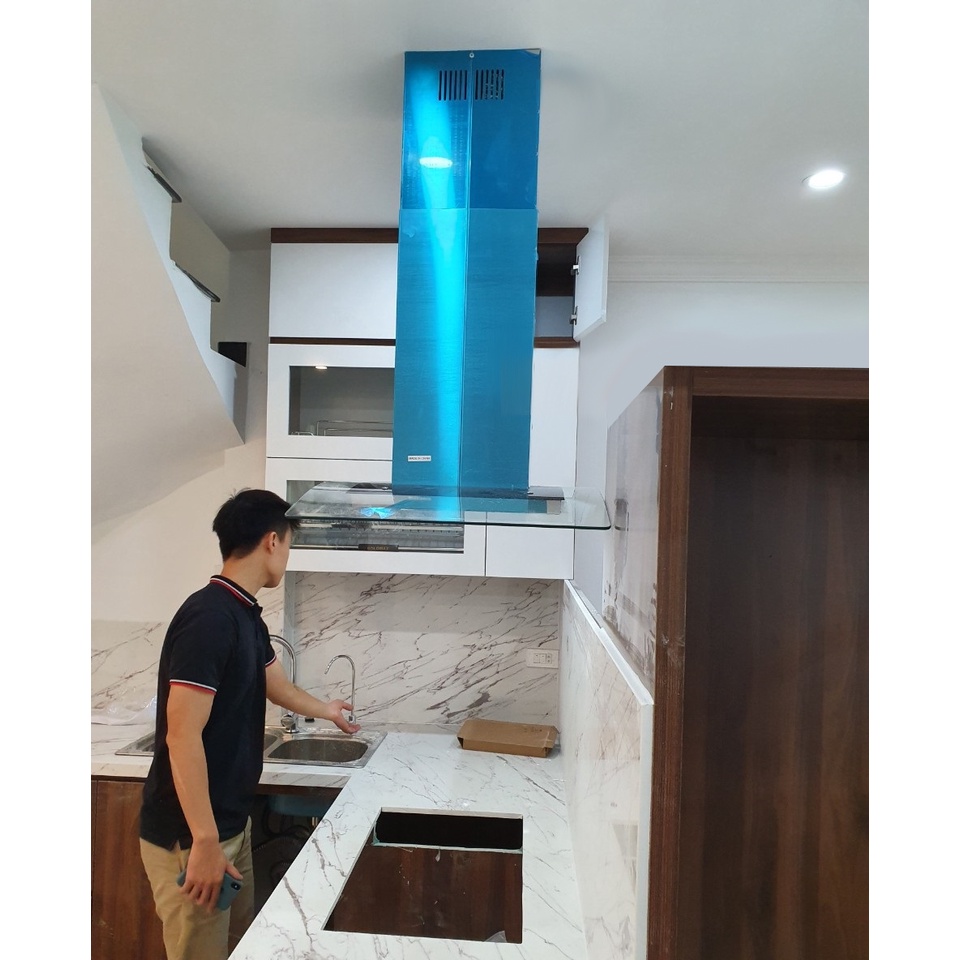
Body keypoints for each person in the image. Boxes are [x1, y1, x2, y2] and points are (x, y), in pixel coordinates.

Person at [138, 488, 359, 960]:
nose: (288, 558)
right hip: (191, 836)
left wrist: (326, 710)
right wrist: (203, 841)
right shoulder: (209, 619)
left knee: (238, 948)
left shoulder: (246, 617)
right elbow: (182, 735)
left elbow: (277, 686)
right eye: (289, 544)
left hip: (228, 827)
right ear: (272, 541)